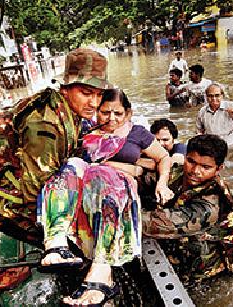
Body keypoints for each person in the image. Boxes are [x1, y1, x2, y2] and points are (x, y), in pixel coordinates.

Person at [39, 89, 174, 306]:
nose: (111, 119)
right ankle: (56, 241)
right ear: (97, 112)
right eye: (105, 112)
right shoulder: (84, 130)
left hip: (116, 191)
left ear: (128, 114)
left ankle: (102, 270)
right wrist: (130, 166)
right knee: (72, 166)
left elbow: (163, 157)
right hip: (85, 189)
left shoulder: (137, 133)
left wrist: (162, 183)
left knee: (103, 175)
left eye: (118, 113)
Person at [0, 48, 108, 244]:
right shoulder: (45, 124)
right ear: (65, 88)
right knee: (80, 233)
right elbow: (36, 191)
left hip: (13, 181)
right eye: (86, 93)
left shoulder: (68, 111)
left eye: (99, 95)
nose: (94, 102)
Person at [142, 134, 233, 283]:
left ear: (219, 168)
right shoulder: (178, 172)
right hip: (177, 251)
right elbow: (147, 179)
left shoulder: (214, 202)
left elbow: (162, 223)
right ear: (185, 157)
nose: (195, 171)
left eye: (205, 167)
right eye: (191, 161)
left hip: (202, 271)